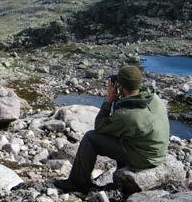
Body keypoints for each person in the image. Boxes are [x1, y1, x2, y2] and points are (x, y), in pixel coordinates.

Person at [54, 65, 170, 193]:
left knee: (90, 138)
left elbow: (99, 127)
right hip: (156, 151)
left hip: (144, 158)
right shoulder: (154, 98)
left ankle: (77, 183)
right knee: (122, 132)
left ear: (121, 86)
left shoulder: (126, 115)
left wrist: (109, 99)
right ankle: (120, 174)